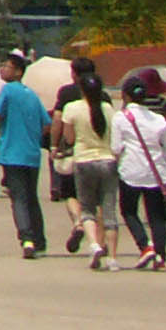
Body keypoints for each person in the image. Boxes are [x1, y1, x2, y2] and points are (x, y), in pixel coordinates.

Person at [53, 53, 119, 264]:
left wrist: (56, 146)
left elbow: (68, 136)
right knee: (106, 209)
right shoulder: (107, 106)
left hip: (83, 160)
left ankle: (93, 244)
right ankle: (110, 254)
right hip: (107, 160)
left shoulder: (70, 103)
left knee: (86, 206)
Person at [111, 73, 166, 271]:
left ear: (125, 96)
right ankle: (160, 256)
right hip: (156, 173)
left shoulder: (120, 118)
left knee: (129, 211)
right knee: (156, 217)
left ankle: (144, 246)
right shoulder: (158, 119)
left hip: (131, 171)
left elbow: (115, 148)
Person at [0, 51, 51, 256]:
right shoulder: (31, 94)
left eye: (5, 66)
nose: (2, 69)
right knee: (32, 197)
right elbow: (46, 124)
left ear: (17, 71)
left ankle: (27, 239)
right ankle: (39, 239)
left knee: (19, 198)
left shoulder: (7, 90)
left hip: (12, 154)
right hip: (31, 154)